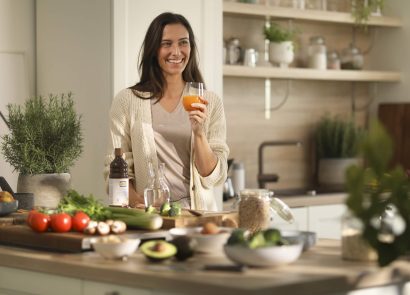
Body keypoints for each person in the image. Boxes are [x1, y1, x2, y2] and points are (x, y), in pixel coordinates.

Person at [104, 12, 229, 211]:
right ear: (154, 49)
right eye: (166, 44)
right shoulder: (126, 101)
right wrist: (140, 207)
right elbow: (115, 167)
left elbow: (212, 176)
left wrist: (199, 133)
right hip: (148, 215)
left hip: (196, 216)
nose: (176, 51)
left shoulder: (210, 102)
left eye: (183, 43)